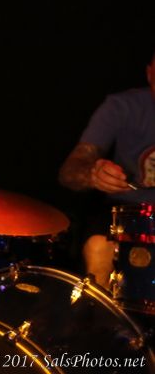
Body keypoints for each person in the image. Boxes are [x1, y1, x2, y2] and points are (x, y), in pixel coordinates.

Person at [58, 49, 155, 287]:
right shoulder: (122, 106)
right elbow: (69, 171)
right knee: (98, 247)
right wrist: (94, 174)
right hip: (126, 212)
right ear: (150, 73)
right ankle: (97, 310)